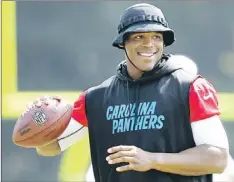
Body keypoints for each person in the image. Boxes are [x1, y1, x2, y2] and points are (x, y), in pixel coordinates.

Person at [31, 3, 230, 182]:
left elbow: (217, 158)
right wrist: (40, 120)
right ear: (123, 43)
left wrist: (152, 159)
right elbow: (50, 147)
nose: (149, 44)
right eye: (139, 37)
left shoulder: (191, 88)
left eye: (156, 37)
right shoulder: (95, 98)